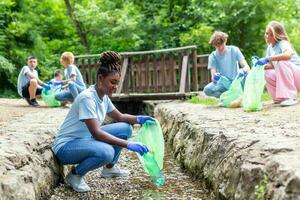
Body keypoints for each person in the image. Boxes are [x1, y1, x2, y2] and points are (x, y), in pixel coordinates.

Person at [52, 51, 155, 193]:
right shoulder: (87, 98)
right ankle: (75, 176)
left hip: (85, 139)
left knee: (125, 128)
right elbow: (97, 133)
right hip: (67, 146)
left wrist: (139, 119)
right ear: (100, 78)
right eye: (112, 82)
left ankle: (109, 168)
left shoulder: (103, 96)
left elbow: (120, 117)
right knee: (107, 152)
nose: (115, 86)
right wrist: (129, 145)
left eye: (117, 83)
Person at [256, 21, 300, 106]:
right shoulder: (270, 48)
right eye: (267, 33)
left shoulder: (283, 43)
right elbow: (272, 66)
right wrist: (259, 65)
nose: (267, 36)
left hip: (298, 76)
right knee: (267, 72)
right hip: (290, 78)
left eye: (271, 34)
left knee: (282, 62)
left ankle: (290, 97)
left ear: (277, 35)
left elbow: (287, 55)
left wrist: (268, 58)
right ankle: (279, 98)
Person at [203, 31, 250, 98]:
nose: (220, 48)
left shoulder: (234, 50)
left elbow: (247, 66)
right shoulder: (213, 56)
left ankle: (240, 95)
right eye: (217, 46)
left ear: (225, 41)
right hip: (223, 84)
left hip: (236, 81)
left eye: (221, 45)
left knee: (247, 74)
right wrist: (215, 77)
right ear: (214, 45)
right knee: (207, 90)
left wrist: (242, 70)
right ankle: (227, 97)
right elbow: (213, 78)